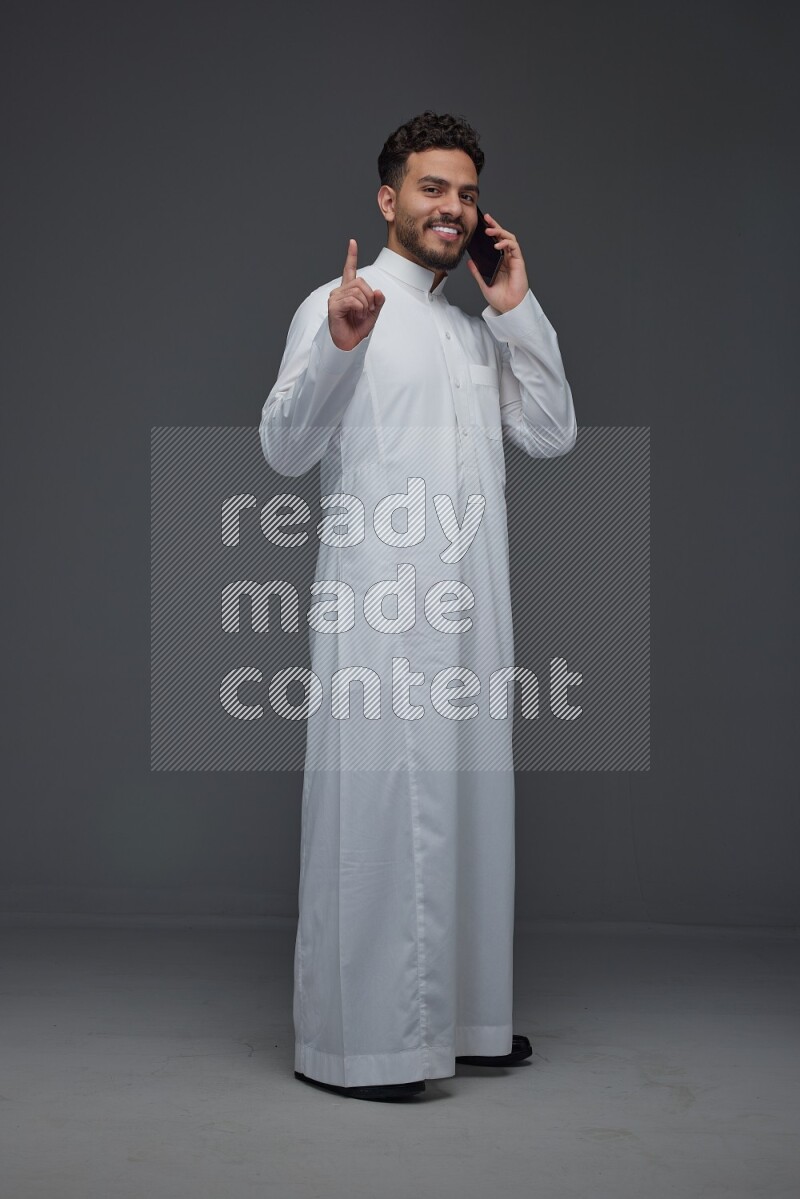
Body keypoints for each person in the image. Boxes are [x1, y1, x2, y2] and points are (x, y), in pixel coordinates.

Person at [259, 111, 577, 1101]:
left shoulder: (473, 330)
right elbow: (284, 449)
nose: (454, 208)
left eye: (467, 194)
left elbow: (553, 432)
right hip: (382, 610)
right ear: (389, 198)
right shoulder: (341, 305)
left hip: (474, 611)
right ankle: (362, 1045)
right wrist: (336, 346)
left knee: (470, 808)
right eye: (433, 188)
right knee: (381, 813)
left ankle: (465, 1020)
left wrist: (516, 310)